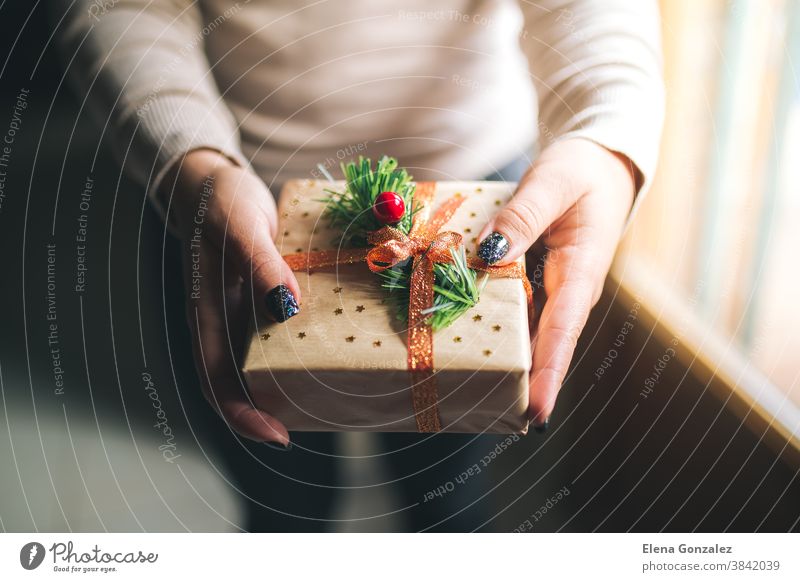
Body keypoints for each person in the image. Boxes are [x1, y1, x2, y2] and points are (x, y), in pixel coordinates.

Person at [55, 0, 664, 531]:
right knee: (283, 504)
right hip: (231, 209)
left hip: (481, 208)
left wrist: (607, 136)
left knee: (448, 500)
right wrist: (189, 162)